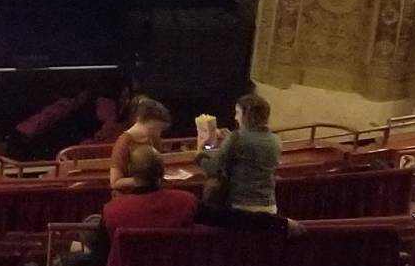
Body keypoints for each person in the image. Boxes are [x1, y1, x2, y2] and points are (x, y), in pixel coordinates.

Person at [195, 93, 282, 229]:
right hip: (269, 208)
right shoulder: (276, 140)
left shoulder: (237, 138)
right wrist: (231, 138)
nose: (235, 118)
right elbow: (252, 154)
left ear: (247, 115)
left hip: (241, 207)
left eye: (238, 113)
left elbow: (213, 168)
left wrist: (200, 153)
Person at [100, 144, 197, 234]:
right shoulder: (187, 202)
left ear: (130, 171)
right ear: (163, 172)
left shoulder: (111, 211)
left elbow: (101, 251)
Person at [106, 97, 171, 191]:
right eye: (155, 128)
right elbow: (115, 182)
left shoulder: (153, 138)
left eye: (160, 130)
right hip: (130, 195)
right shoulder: (124, 142)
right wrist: (144, 181)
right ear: (143, 121)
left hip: (152, 191)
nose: (158, 133)